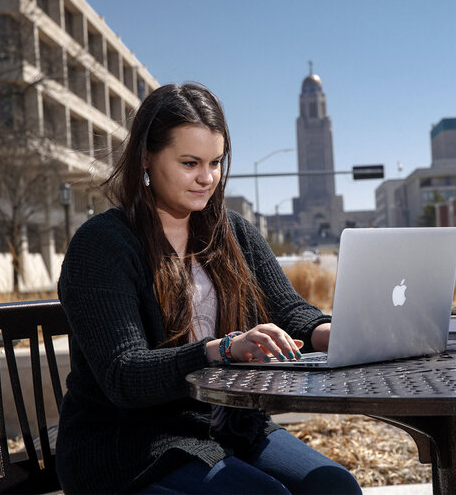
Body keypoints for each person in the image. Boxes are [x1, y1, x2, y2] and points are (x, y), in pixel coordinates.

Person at [56, 82, 362, 494]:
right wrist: (223, 348)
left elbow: (290, 311)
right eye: (189, 163)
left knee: (334, 486)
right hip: (131, 447)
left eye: (216, 162)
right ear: (146, 156)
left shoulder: (233, 232)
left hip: (231, 429)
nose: (207, 178)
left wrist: (330, 333)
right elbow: (123, 375)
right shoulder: (102, 245)